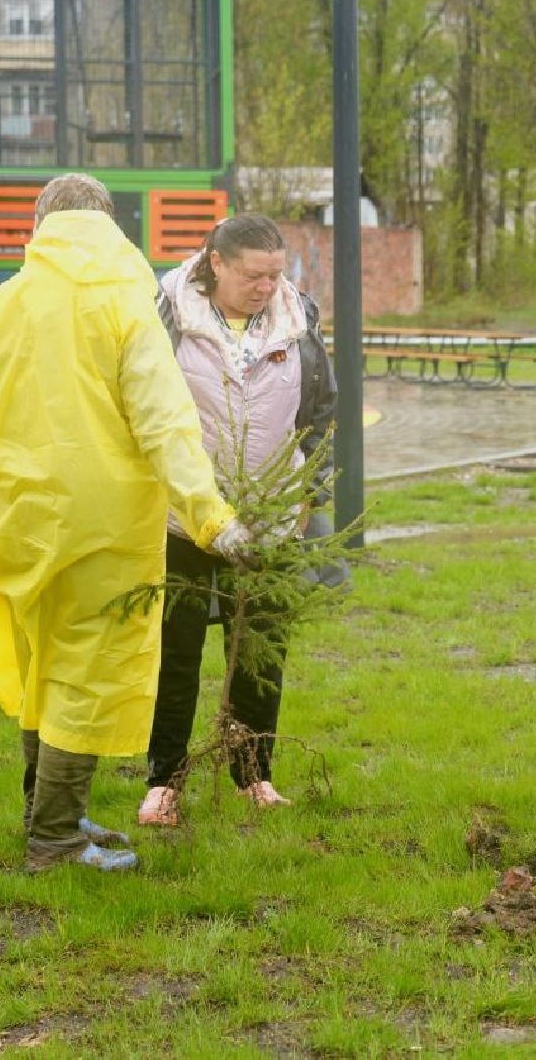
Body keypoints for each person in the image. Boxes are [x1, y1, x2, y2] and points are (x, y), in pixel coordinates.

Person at [0, 173, 255, 873]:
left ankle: (47, 813)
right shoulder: (124, 306)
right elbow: (165, 423)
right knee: (83, 674)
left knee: (42, 665)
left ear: (41, 224)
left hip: (13, 518)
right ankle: (55, 837)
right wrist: (211, 518)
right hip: (99, 523)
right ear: (110, 224)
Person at [137, 215, 339, 826]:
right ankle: (164, 782)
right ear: (216, 263)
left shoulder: (297, 318)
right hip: (184, 517)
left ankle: (254, 775)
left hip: (270, 514)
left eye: (275, 275)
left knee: (259, 651)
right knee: (176, 652)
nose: (266, 288)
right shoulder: (168, 314)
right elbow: (140, 408)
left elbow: (319, 410)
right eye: (253, 275)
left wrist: (307, 495)